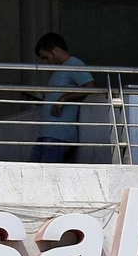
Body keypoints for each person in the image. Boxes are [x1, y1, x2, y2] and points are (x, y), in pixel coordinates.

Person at [25, 33, 95, 163]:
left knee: (47, 172)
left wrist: (64, 98)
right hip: (46, 134)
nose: (45, 63)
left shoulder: (74, 64)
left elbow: (90, 87)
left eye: (46, 58)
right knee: (33, 171)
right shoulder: (59, 70)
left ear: (56, 51)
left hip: (58, 136)